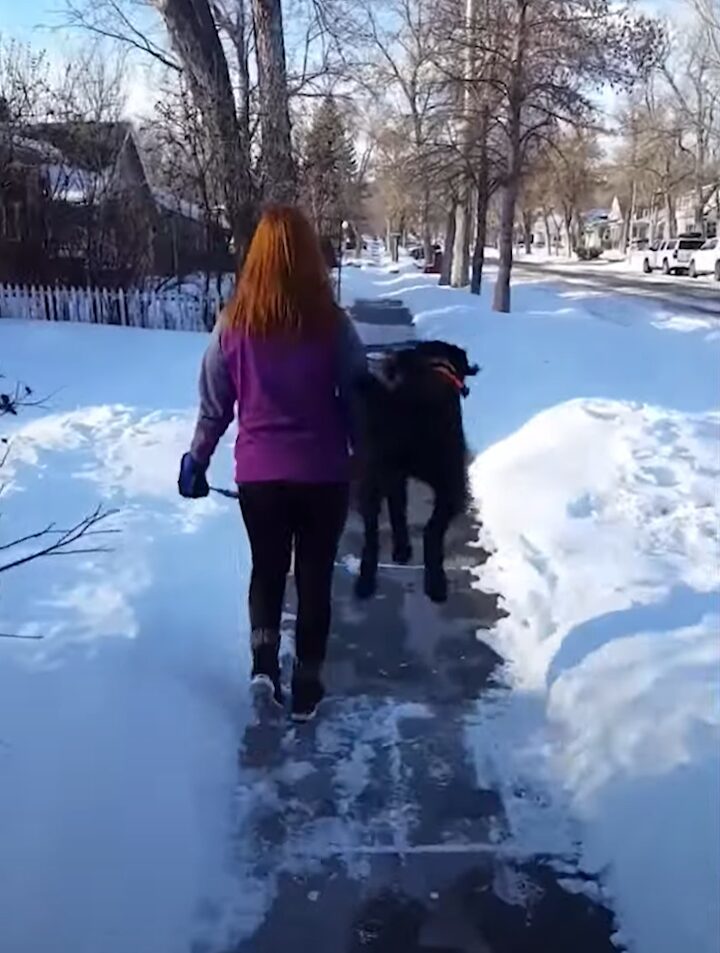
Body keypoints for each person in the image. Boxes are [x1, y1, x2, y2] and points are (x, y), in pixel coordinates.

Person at [178, 205, 367, 722]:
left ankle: (264, 667)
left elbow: (215, 404)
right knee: (313, 579)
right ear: (310, 257)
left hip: (259, 476)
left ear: (255, 257)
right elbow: (358, 398)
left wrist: (197, 460)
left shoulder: (233, 325)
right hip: (323, 474)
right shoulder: (332, 324)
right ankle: (307, 683)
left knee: (267, 569)